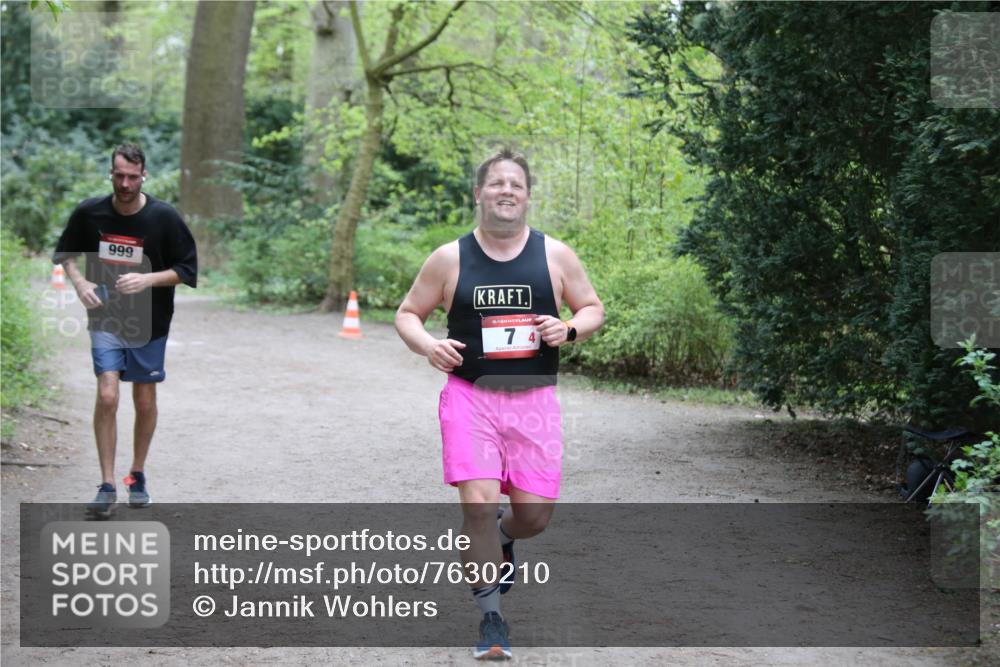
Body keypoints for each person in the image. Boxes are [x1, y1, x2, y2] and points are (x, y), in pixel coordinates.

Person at [395, 148, 604, 659]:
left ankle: (505, 539)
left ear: (527, 196)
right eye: (496, 183)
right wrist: (429, 346)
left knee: (534, 517)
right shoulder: (449, 258)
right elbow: (407, 314)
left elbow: (593, 307)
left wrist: (569, 328)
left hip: (534, 402)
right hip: (470, 397)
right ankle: (492, 620)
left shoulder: (556, 255)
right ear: (479, 195)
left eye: (515, 184)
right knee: (479, 506)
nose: (506, 190)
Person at [52, 143, 197, 518]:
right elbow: (65, 254)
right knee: (108, 395)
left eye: (133, 176)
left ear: (143, 175)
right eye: (119, 175)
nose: (126, 183)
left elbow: (187, 270)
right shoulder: (90, 213)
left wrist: (147, 279)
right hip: (106, 318)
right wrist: (81, 283)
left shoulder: (164, 218)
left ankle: (136, 474)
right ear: (111, 174)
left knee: (144, 401)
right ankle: (106, 485)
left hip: (150, 322)